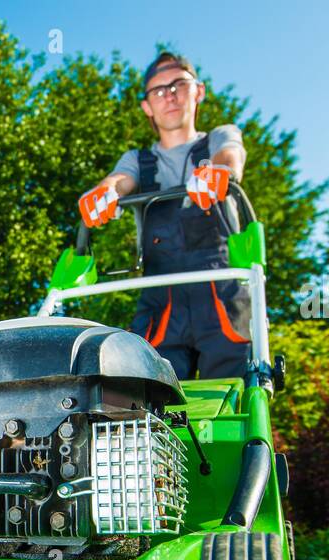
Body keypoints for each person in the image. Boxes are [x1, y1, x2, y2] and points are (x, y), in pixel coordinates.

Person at [78, 51, 252, 380]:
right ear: (147, 105)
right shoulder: (137, 160)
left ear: (198, 91)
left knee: (235, 395)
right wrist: (104, 194)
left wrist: (218, 172)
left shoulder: (219, 138)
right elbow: (118, 181)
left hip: (221, 292)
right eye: (158, 90)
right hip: (160, 299)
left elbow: (230, 158)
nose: (169, 96)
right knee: (154, 396)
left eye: (178, 86)